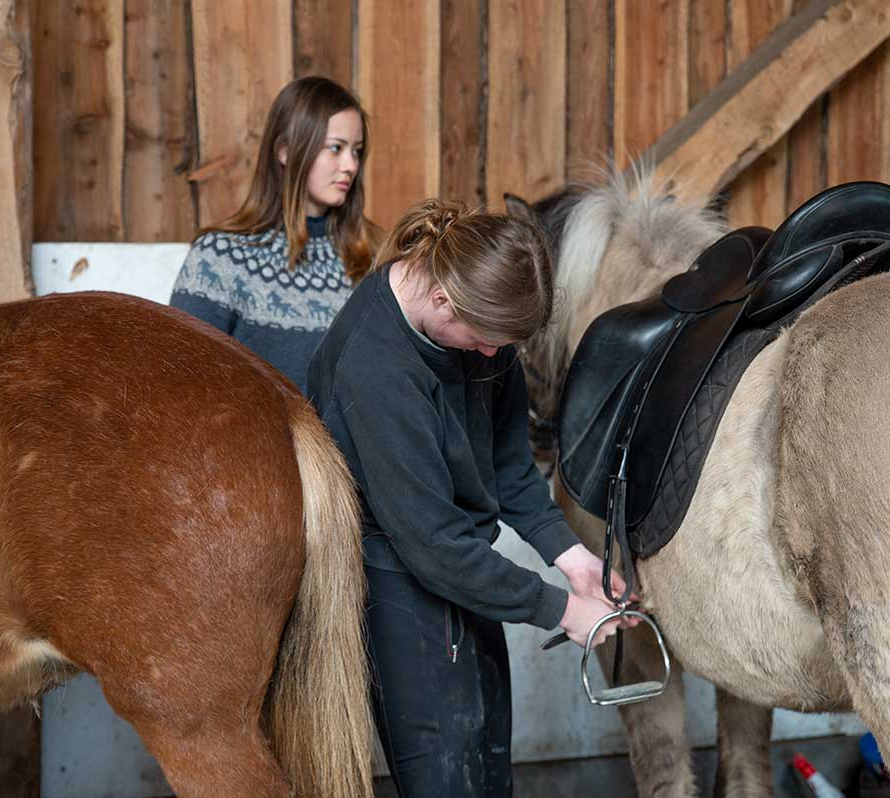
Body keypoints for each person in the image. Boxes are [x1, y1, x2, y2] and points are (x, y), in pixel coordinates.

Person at [307, 199, 635, 797]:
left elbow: (508, 467)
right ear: (443, 302)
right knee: (444, 780)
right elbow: (433, 545)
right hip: (398, 584)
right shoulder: (376, 367)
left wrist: (572, 558)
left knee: (489, 769)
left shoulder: (481, 328)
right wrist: (562, 610)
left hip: (467, 574)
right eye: (485, 341)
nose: (491, 356)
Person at [170, 76, 376, 393]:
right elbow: (180, 380)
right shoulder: (220, 258)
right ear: (285, 150)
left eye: (356, 151)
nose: (350, 165)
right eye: (335, 148)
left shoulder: (373, 258)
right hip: (250, 441)